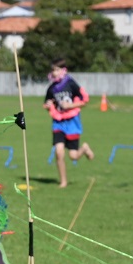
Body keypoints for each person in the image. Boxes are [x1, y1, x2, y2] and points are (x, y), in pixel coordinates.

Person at [43, 58, 94, 188]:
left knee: (73, 156)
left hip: (72, 123)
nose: (54, 73)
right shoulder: (52, 88)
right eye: (53, 70)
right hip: (58, 123)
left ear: (63, 70)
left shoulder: (71, 84)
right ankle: (63, 182)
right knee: (59, 152)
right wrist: (48, 105)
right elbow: (47, 103)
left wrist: (70, 105)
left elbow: (85, 100)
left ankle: (84, 148)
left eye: (57, 69)